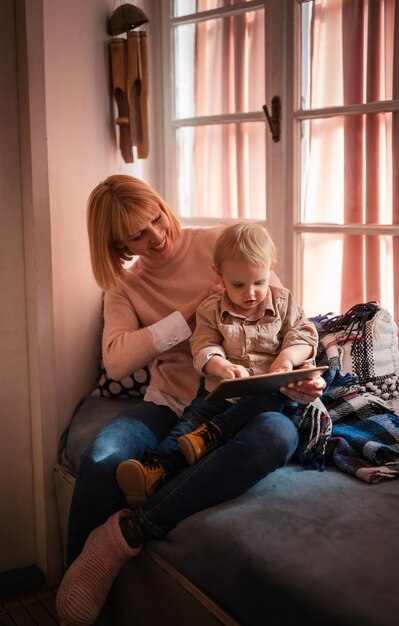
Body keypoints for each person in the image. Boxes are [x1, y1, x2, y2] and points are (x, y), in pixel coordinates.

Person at [56, 175, 326, 626]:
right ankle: (79, 604)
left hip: (244, 404)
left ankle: (129, 531)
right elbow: (117, 361)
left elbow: (284, 323)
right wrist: (189, 314)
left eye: (156, 218)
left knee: (277, 435)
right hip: (170, 404)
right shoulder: (124, 286)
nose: (157, 236)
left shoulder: (224, 244)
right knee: (102, 459)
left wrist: (292, 378)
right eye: (138, 235)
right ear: (117, 243)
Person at [116, 223, 318, 509]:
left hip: (263, 397)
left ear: (270, 268)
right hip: (219, 392)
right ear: (219, 274)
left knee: (270, 398)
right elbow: (203, 346)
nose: (251, 293)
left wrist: (287, 359)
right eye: (238, 285)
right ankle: (154, 468)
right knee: (188, 425)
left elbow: (305, 335)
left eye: (259, 282)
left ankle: (216, 433)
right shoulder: (210, 309)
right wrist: (221, 365)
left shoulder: (283, 302)